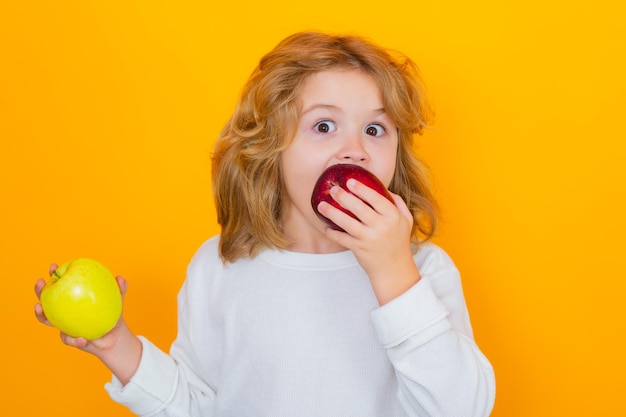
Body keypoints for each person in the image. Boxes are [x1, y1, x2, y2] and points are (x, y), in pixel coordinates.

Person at [35, 31, 496, 416]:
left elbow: (461, 408)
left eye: (375, 130)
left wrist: (393, 272)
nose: (355, 149)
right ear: (270, 149)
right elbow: (197, 405)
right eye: (323, 126)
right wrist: (116, 344)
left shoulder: (423, 273)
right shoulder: (221, 268)